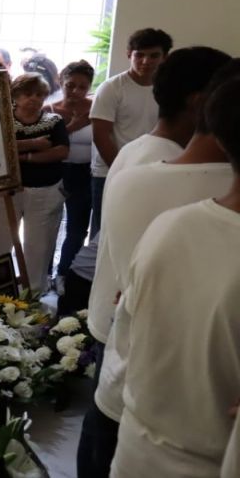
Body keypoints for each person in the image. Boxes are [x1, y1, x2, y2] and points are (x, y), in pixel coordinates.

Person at [76, 48, 231, 478]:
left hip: (128, 345)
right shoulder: (174, 180)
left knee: (100, 436)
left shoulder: (143, 161)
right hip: (152, 366)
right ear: (203, 102)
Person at [0, 73, 69, 295]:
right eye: (27, 93)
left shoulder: (54, 120)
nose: (33, 99)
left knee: (39, 245)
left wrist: (22, 156)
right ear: (15, 95)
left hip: (45, 189)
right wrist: (35, 145)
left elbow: (61, 151)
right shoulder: (2, 119)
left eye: (39, 94)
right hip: (5, 190)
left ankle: (33, 291)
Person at [89, 28, 173, 237]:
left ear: (165, 57)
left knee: (141, 232)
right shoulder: (112, 88)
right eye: (140, 55)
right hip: (110, 172)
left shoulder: (169, 90)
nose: (146, 61)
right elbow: (101, 135)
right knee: (105, 234)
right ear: (129, 54)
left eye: (154, 55)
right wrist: (122, 169)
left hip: (152, 172)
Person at [50, 60, 95, 293]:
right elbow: (47, 143)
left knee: (77, 228)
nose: (76, 91)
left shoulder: (97, 107)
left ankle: (64, 272)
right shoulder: (49, 110)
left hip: (85, 172)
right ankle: (42, 273)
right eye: (70, 85)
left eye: (82, 87)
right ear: (61, 82)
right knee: (48, 224)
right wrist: (74, 125)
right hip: (55, 171)